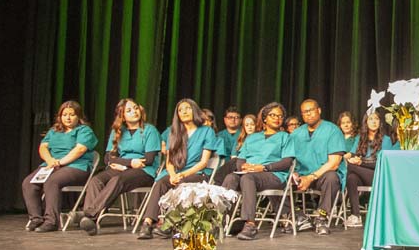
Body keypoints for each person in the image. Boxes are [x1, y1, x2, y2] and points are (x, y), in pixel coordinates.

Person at [76, 98, 161, 235]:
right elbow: (108, 157)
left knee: (116, 180)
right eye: (129, 110)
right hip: (123, 168)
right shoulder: (118, 131)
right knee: (96, 181)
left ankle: (88, 215)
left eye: (135, 108)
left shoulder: (150, 130)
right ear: (122, 116)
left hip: (144, 171)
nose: (134, 111)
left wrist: (125, 164)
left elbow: (149, 159)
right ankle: (90, 222)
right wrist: (128, 163)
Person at [137, 99, 218, 239]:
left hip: (196, 172)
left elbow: (204, 162)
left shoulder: (207, 131)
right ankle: (147, 223)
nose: (184, 112)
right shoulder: (174, 133)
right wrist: (173, 174)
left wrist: (182, 175)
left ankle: (169, 224)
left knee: (182, 184)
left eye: (187, 108)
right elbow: (169, 161)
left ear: (194, 110)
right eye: (180, 110)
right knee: (161, 182)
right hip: (176, 172)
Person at [21, 101, 99, 233]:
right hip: (51, 165)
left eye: (72, 115)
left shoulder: (84, 131)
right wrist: (50, 160)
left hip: (76, 166)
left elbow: (79, 150)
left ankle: (51, 221)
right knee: (28, 183)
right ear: (60, 116)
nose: (68, 118)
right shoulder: (53, 131)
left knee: (52, 181)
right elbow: (43, 147)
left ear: (78, 116)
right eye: (64, 115)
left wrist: (60, 162)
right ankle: (36, 218)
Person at [222, 102, 296, 241]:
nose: (277, 118)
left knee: (248, 179)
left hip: (273, 175)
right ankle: (221, 220)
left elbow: (287, 162)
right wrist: (243, 167)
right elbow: (240, 159)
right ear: (265, 118)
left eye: (280, 116)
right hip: (250, 173)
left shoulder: (285, 137)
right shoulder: (252, 137)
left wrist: (264, 168)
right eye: (273, 115)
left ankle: (250, 224)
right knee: (231, 178)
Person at [290, 99, 349, 235]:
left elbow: (334, 163)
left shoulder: (332, 130)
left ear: (319, 110)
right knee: (278, 178)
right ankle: (298, 216)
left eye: (311, 110)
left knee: (331, 177)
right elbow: (288, 159)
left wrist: (311, 177)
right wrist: (294, 174)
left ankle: (322, 217)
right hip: (302, 176)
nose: (308, 114)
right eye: (305, 112)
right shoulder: (296, 134)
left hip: (323, 176)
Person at [343, 111, 399, 228]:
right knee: (352, 177)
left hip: (378, 176)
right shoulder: (359, 138)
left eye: (376, 119)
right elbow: (352, 155)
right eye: (371, 119)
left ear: (380, 122)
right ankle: (356, 215)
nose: (374, 122)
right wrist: (347, 158)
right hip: (361, 174)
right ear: (366, 122)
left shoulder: (386, 140)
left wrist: (360, 162)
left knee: (352, 168)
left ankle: (344, 200)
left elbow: (383, 163)